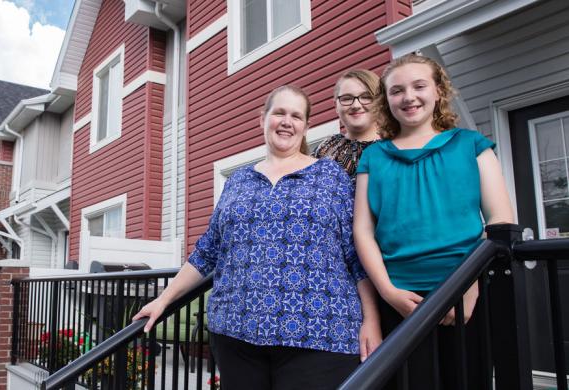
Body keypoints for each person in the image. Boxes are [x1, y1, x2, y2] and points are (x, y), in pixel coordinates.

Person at [133, 85, 381, 390]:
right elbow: (207, 251)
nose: (287, 121)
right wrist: (164, 300)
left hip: (319, 333)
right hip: (236, 334)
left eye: (296, 116)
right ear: (262, 118)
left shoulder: (330, 176)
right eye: (279, 113)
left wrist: (372, 319)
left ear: (306, 126)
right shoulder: (238, 180)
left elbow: (355, 253)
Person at [353, 54, 514, 389]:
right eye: (396, 90)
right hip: (398, 297)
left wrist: (467, 287)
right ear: (386, 100)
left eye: (419, 86)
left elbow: (500, 220)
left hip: (467, 293)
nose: (408, 96)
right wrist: (388, 291)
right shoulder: (374, 156)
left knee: (467, 379)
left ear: (439, 91)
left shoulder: (472, 145)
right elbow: (363, 230)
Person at [312, 69, 380, 181]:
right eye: (347, 98)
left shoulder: (395, 147)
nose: (356, 105)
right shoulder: (325, 149)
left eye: (366, 97)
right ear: (336, 106)